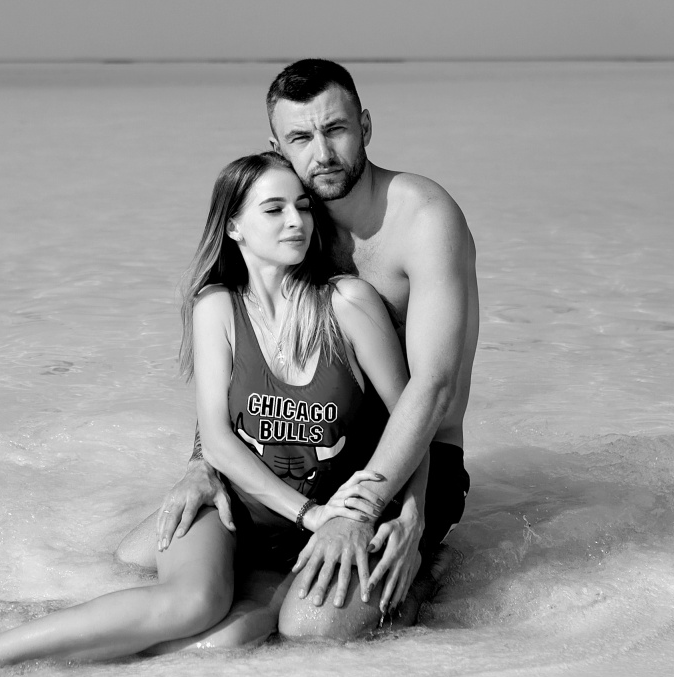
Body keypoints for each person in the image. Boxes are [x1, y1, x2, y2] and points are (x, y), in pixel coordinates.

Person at [0, 152, 418, 663]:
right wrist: (308, 513)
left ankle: (52, 626)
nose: (296, 221)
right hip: (234, 509)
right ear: (234, 226)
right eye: (274, 210)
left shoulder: (347, 303)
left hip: (322, 529)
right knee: (191, 605)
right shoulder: (217, 308)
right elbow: (218, 441)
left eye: (302, 206)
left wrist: (411, 517)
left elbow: (413, 421)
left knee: (226, 642)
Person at [117, 58, 479, 639]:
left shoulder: (423, 218)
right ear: (278, 148)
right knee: (135, 560)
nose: (323, 154)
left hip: (416, 460)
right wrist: (201, 462)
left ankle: (428, 572)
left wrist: (389, 512)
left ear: (365, 126)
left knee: (312, 631)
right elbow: (247, 360)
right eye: (301, 138)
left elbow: (432, 387)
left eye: (336, 130)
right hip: (312, 452)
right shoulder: (296, 224)